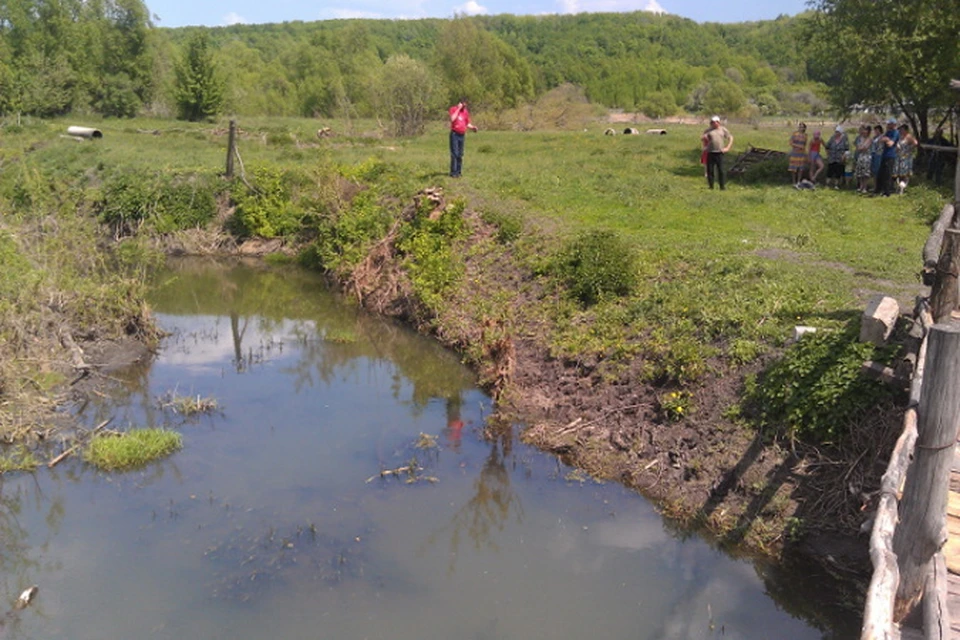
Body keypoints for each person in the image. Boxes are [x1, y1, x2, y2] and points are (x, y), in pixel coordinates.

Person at [448, 99, 478, 178]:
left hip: (462, 134)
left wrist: (473, 128)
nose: (464, 106)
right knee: (455, 153)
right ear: (459, 103)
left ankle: (458, 171)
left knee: (460, 154)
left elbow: (467, 123)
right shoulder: (453, 109)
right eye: (463, 104)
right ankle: (453, 172)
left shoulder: (465, 112)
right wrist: (458, 109)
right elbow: (452, 119)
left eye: (465, 105)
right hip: (455, 134)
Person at [702, 115, 733, 190]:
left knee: (721, 170)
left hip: (719, 152)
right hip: (710, 152)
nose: (714, 123)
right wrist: (704, 146)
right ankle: (711, 186)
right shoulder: (708, 130)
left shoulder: (723, 130)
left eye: (716, 122)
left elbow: (730, 137)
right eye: (712, 122)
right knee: (710, 170)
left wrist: (727, 147)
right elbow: (703, 138)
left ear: (719, 122)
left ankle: (722, 187)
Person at [873, 118, 900, 197]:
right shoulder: (888, 132)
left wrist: (886, 139)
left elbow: (890, 144)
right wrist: (885, 139)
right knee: (881, 173)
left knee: (888, 174)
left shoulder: (895, 133)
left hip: (891, 155)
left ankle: (887, 192)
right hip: (884, 154)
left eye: (889, 124)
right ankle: (878, 189)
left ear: (893, 124)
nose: (887, 125)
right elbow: (880, 140)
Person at [894, 123, 917, 193]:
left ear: (906, 130)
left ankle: (903, 188)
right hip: (898, 157)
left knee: (905, 174)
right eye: (900, 130)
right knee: (898, 173)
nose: (900, 131)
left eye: (902, 129)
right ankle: (899, 187)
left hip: (906, 157)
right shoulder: (900, 137)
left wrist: (909, 149)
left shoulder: (909, 137)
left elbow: (915, 143)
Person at [824, 125, 849, 189]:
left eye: (838, 132)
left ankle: (836, 185)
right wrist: (827, 154)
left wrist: (844, 156)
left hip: (839, 158)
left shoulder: (844, 139)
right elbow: (827, 146)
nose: (836, 133)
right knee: (830, 171)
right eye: (836, 132)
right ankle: (827, 184)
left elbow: (847, 149)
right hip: (832, 157)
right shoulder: (832, 138)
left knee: (838, 172)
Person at [854, 125, 873, 193]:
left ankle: (865, 187)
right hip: (860, 156)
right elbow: (857, 147)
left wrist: (861, 147)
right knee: (860, 173)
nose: (864, 132)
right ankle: (861, 186)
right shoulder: (860, 138)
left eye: (866, 131)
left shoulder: (869, 139)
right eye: (863, 130)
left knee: (865, 173)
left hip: (867, 157)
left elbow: (865, 148)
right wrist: (861, 147)